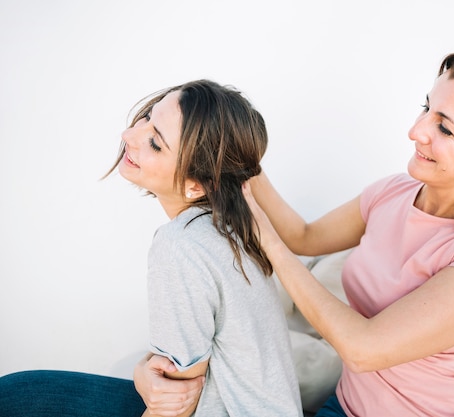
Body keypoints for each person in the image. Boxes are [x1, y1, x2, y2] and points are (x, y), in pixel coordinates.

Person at [135, 50, 454, 417]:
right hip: (346, 407)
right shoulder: (394, 192)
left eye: (445, 128)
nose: (416, 131)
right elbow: (304, 236)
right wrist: (236, 152)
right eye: (426, 109)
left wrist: (266, 238)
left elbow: (364, 349)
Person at [0, 80, 303, 417]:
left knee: (14, 398)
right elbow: (177, 369)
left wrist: (147, 375)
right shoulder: (237, 228)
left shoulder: (182, 245)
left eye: (155, 143)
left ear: (197, 185)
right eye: (145, 118)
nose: (129, 135)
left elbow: (175, 403)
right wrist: (142, 371)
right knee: (22, 393)